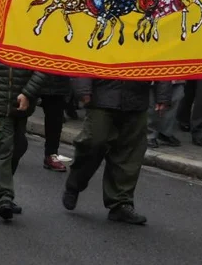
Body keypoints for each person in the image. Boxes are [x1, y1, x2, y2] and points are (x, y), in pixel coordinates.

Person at [62, 73, 172, 225]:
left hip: (136, 96)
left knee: (129, 152)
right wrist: (83, 88)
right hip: (102, 93)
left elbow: (160, 59)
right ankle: (75, 182)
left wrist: (163, 95)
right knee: (93, 142)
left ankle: (120, 202)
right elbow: (87, 52)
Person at [0, 61, 47, 220]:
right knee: (4, 148)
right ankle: (5, 197)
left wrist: (28, 93)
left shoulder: (36, 37)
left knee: (18, 147)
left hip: (21, 107)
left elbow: (44, 68)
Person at [38, 73, 71, 172]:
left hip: (56, 84)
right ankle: (11, 147)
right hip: (30, 77)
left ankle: (51, 154)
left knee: (55, 122)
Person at [148, 80, 184, 149]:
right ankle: (149, 134)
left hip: (176, 75)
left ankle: (165, 132)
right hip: (155, 74)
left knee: (175, 97)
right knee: (152, 104)